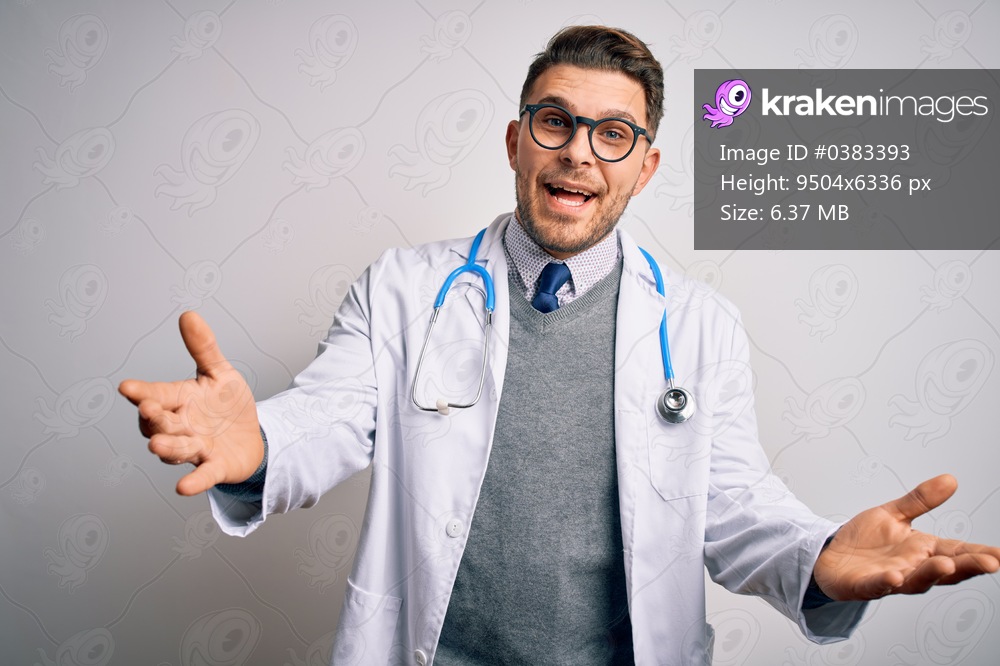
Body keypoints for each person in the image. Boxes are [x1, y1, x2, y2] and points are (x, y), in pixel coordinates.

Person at [119, 26, 1000, 665]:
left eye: (613, 134)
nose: (580, 153)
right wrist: (254, 448)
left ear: (644, 166)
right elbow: (331, 418)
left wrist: (817, 559)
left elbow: (729, 507)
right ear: (516, 141)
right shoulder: (404, 289)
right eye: (555, 121)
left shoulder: (698, 328)